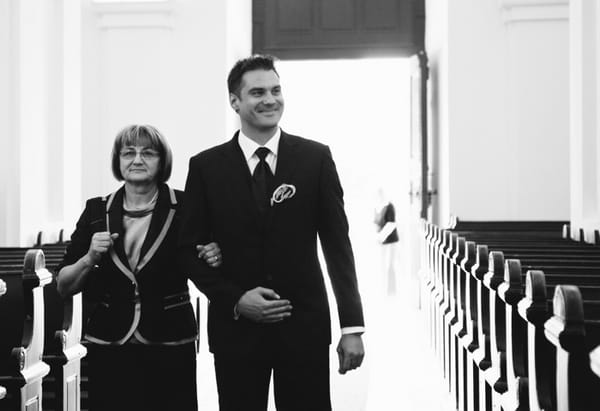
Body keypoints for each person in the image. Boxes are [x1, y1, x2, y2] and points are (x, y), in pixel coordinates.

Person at [178, 54, 365, 411]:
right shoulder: (206, 167)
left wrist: (351, 325)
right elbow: (187, 250)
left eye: (276, 90)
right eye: (257, 92)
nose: (270, 99)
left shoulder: (315, 158)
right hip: (236, 331)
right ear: (235, 101)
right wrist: (234, 299)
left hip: (303, 324)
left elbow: (338, 247)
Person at [56, 124, 222, 411]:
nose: (137, 159)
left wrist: (214, 252)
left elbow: (212, 255)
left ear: (162, 160)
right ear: (118, 161)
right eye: (128, 152)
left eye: (148, 152)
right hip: (111, 341)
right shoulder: (96, 210)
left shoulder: (185, 206)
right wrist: (89, 258)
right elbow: (63, 285)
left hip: (170, 338)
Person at [374, 188, 400, 295]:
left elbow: (391, 223)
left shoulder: (390, 206)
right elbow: (375, 223)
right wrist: (377, 236)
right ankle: (383, 289)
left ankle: (391, 291)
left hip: (390, 241)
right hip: (381, 241)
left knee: (390, 265)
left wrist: (382, 236)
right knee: (382, 265)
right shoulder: (377, 207)